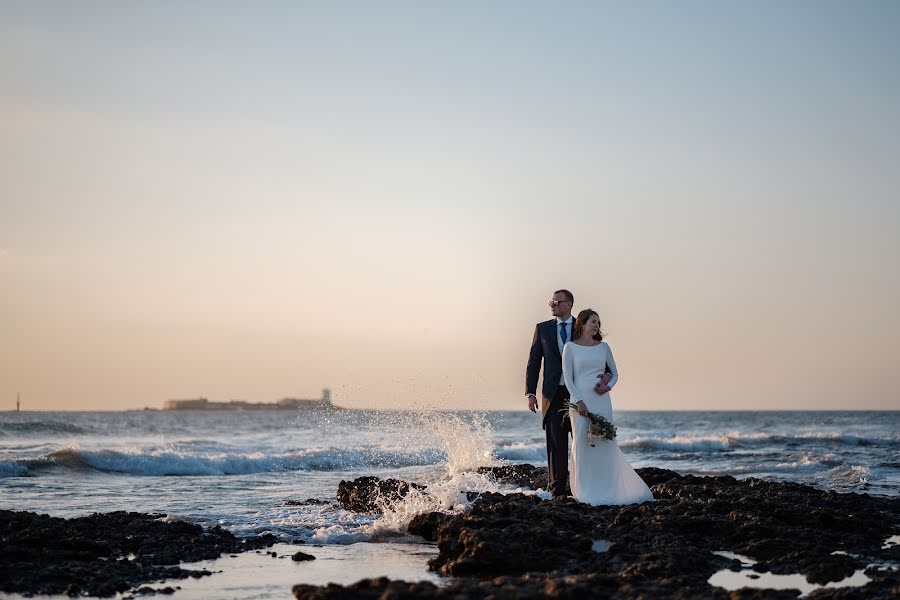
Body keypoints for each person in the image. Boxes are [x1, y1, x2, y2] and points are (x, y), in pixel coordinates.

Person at [563, 308, 653, 505]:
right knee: (581, 442)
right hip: (579, 401)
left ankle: (608, 488)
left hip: (601, 400)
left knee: (604, 442)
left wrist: (607, 386)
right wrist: (578, 401)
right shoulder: (570, 347)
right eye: (593, 321)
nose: (596, 325)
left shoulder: (603, 348)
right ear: (582, 324)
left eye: (598, 322)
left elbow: (615, 373)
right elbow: (568, 378)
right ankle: (583, 491)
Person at [525, 290, 611, 497]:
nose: (552, 304)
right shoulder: (542, 329)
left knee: (584, 440)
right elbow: (534, 361)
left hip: (582, 394)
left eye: (557, 301)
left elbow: (600, 355)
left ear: (570, 304)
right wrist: (530, 392)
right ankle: (557, 491)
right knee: (556, 443)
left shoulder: (581, 327)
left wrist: (607, 376)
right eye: (551, 301)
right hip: (553, 394)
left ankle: (586, 487)